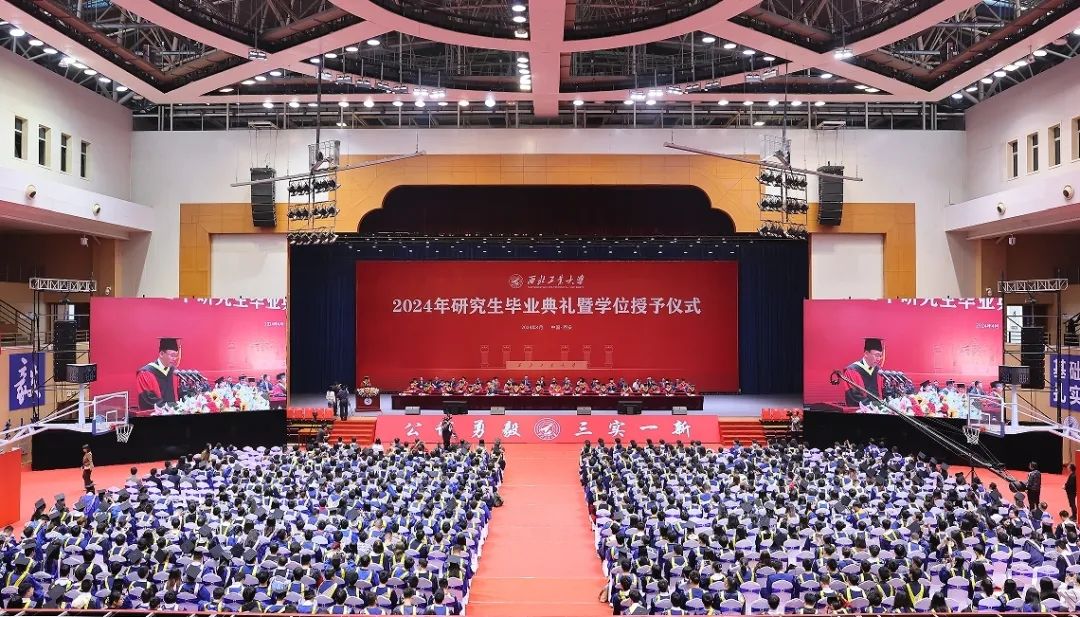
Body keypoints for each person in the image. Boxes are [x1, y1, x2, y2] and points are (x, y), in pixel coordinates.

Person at [136, 337, 182, 410]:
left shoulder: (174, 372)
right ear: (161, 354)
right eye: (172, 355)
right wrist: (171, 406)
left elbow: (180, 394)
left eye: (176, 356)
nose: (174, 358)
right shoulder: (145, 373)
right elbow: (148, 401)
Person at [842, 338, 885, 407]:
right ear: (866, 353)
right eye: (876, 355)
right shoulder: (852, 371)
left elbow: (884, 394)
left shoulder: (879, 372)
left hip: (880, 410)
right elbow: (853, 397)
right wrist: (875, 405)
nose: (879, 359)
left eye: (880, 356)